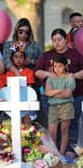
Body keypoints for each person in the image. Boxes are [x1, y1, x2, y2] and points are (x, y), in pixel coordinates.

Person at [35, 28, 83, 158]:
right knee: (53, 128)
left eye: (59, 40)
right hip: (50, 99)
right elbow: (37, 72)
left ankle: (69, 151)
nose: (57, 43)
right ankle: (53, 153)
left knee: (69, 125)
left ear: (65, 40)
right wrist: (47, 73)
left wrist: (74, 75)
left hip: (74, 96)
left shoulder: (76, 54)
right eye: (54, 40)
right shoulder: (47, 55)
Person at [45, 55, 75, 155]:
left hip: (66, 106)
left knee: (64, 130)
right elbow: (47, 93)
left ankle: (61, 154)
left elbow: (67, 94)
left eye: (60, 66)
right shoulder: (51, 78)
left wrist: (54, 93)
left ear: (66, 65)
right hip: (53, 107)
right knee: (52, 132)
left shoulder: (70, 77)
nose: (57, 69)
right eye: (55, 66)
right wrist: (60, 90)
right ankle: (53, 154)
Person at [6, 44, 36, 128]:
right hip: (13, 100)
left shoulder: (29, 72)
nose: (18, 59)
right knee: (15, 123)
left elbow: (30, 87)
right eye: (16, 57)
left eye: (21, 57)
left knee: (27, 120)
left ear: (25, 59)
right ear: (12, 59)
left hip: (26, 100)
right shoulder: (9, 73)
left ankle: (27, 139)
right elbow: (8, 89)